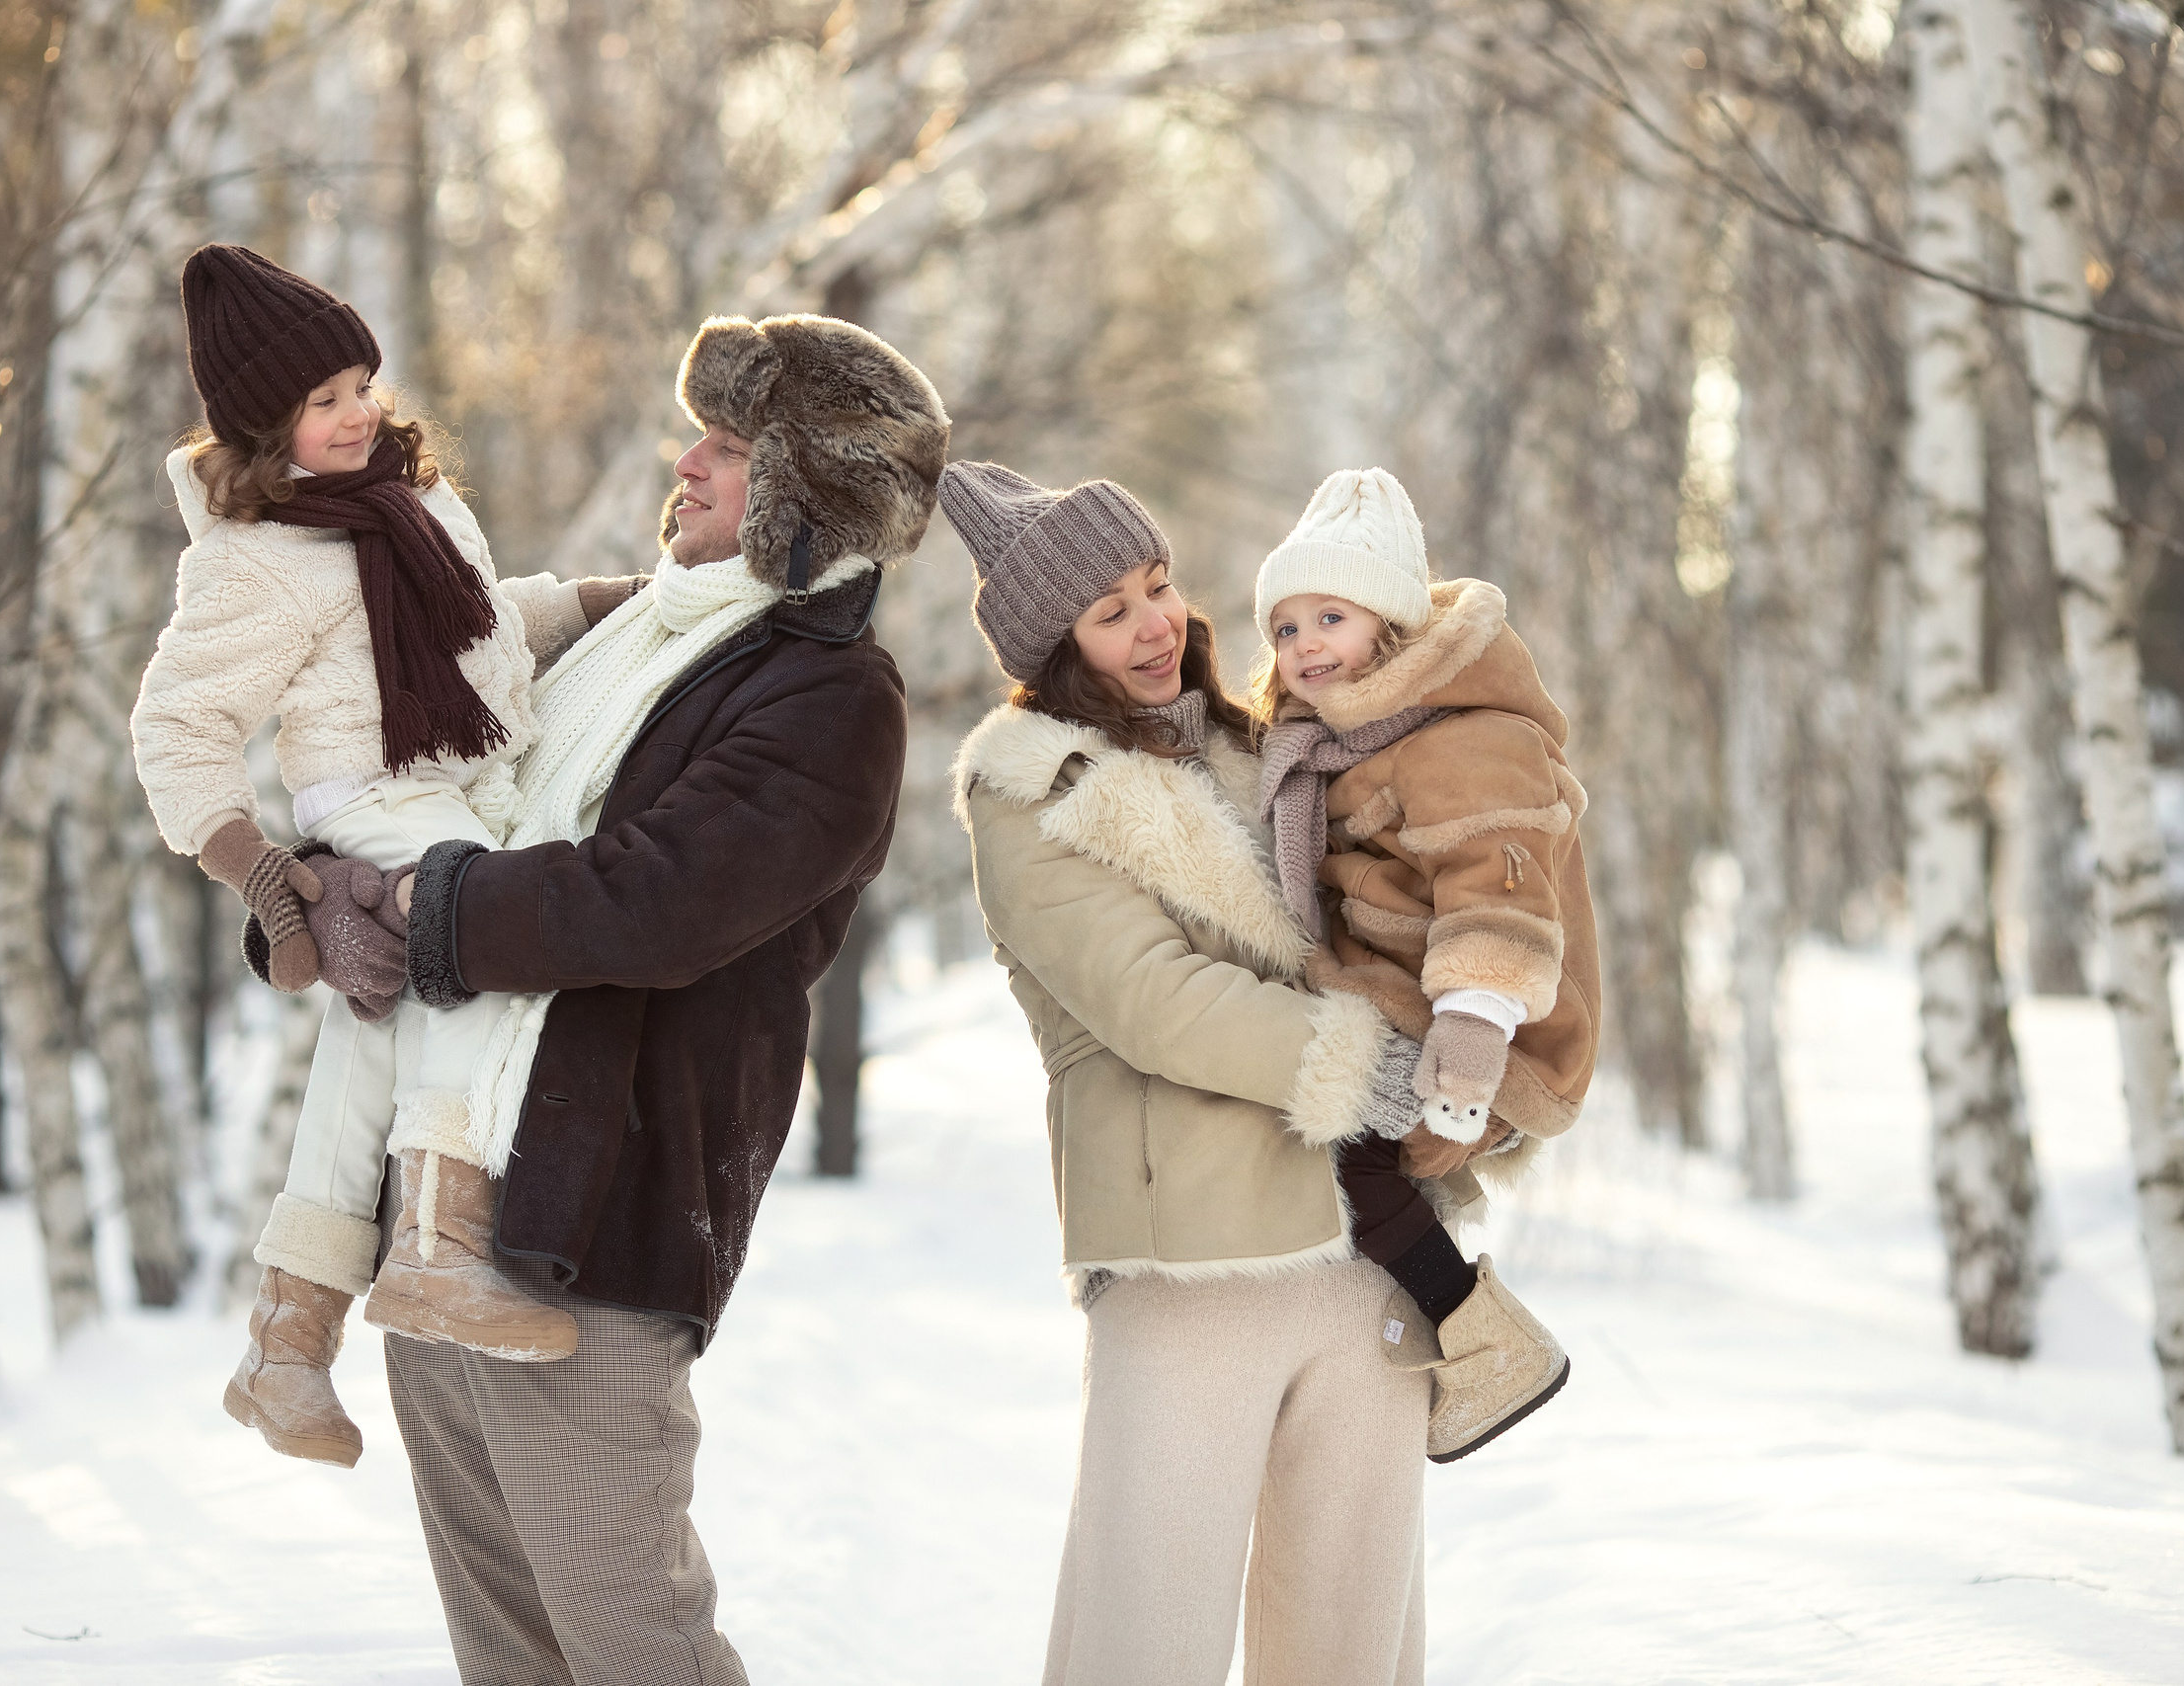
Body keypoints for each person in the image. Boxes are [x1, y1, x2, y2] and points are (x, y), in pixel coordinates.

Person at [257, 311, 946, 1685]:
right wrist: (322, 899)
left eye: (734, 447)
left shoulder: (826, 694)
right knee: (509, 1650)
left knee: (630, 1639)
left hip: (598, 1222)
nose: (686, 461)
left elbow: (656, 895)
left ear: (811, 495)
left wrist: (430, 908)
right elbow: (449, 804)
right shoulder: (614, 641)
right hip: (436, 1197)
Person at [941, 459, 1464, 1685]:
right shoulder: (1031, 795)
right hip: (1190, 1262)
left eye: (1158, 583)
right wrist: (1377, 1068)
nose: (1155, 622)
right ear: (1055, 648)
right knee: (1146, 1634)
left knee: (1352, 1637)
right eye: (1111, 608)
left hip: (1365, 1249)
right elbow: (1156, 1004)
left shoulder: (1271, 746)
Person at [131, 245, 621, 1469]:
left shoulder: (411, 500)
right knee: (484, 948)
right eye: (322, 400)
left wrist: (604, 605)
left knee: (378, 1035)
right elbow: (178, 725)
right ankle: (437, 1252)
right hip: (380, 800)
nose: (357, 414)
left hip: (462, 778)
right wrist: (258, 870)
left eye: (361, 383)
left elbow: (472, 626)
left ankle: (288, 1342)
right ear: (264, 424)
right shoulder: (254, 559)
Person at [1252, 465, 1597, 1461]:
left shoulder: (1463, 735)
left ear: (1390, 627)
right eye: (1285, 628)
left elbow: (1498, 883)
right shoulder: (1335, 741)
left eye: (1330, 617)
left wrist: (1472, 1031)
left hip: (1489, 1029)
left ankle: (1490, 1348)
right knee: (1328, 1151)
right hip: (1395, 998)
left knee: (1355, 1157)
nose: (1304, 645)